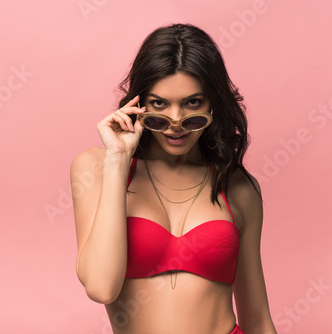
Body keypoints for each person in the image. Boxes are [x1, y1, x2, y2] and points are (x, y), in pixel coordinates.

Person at [70, 23, 277, 334]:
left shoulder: (237, 187)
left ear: (213, 105)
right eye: (159, 103)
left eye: (192, 103)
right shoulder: (96, 168)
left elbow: (257, 319)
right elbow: (101, 287)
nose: (176, 122)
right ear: (138, 104)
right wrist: (117, 160)